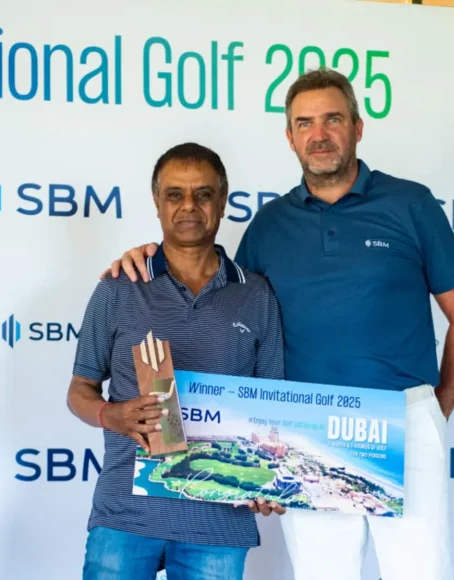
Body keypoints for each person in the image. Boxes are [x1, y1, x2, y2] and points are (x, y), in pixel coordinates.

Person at [102, 69, 454, 580]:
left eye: (333, 120)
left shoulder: (411, 204)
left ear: (357, 127)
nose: (319, 134)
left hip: (402, 419)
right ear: (289, 137)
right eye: (305, 123)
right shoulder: (268, 226)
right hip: (309, 430)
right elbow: (220, 299)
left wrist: (431, 414)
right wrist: (150, 256)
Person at [67, 142, 287, 580]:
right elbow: (79, 391)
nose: (189, 206)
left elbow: (272, 412)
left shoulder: (257, 295)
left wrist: (269, 477)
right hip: (126, 515)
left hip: (218, 523)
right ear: (157, 203)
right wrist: (113, 415)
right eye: (175, 194)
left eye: (203, 194)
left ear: (222, 202)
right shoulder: (118, 287)